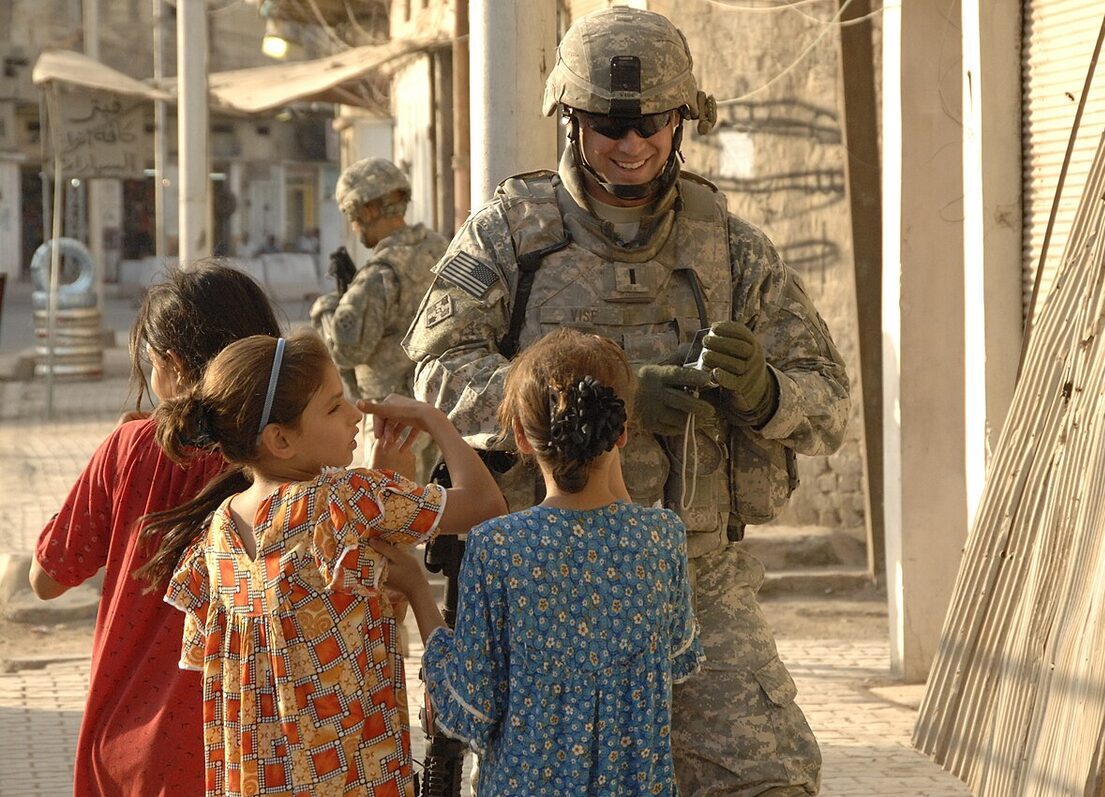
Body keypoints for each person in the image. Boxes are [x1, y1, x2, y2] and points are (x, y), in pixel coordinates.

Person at [403, 7, 851, 795]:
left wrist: (765, 390)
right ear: (570, 118)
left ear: (683, 120)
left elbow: (828, 403)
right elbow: (437, 368)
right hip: (540, 573)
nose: (632, 143)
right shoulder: (510, 235)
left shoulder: (732, 248)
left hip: (695, 568)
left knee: (767, 777)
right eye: (610, 123)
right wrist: (609, 395)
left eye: (651, 121)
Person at [143, 331, 505, 797]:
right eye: (335, 407)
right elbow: (485, 504)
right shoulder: (345, 501)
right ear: (280, 439)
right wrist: (432, 418)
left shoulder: (217, 536)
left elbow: (338, 621)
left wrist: (384, 480)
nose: (356, 414)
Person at [379, 328, 702, 796]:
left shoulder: (499, 548)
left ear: (522, 441)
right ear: (623, 431)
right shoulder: (661, 538)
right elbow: (677, 660)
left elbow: (467, 706)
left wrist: (414, 587)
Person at [28, 262, 282, 797]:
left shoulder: (129, 450)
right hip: (250, 749)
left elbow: (47, 577)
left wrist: (106, 463)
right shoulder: (283, 457)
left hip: (130, 748)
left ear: (171, 363)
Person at [310, 158, 449, 475]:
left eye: (352, 215)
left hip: (396, 422)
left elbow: (346, 349)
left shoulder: (380, 274)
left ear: (368, 210)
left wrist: (328, 307)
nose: (354, 225)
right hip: (440, 407)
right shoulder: (440, 248)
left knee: (396, 511)